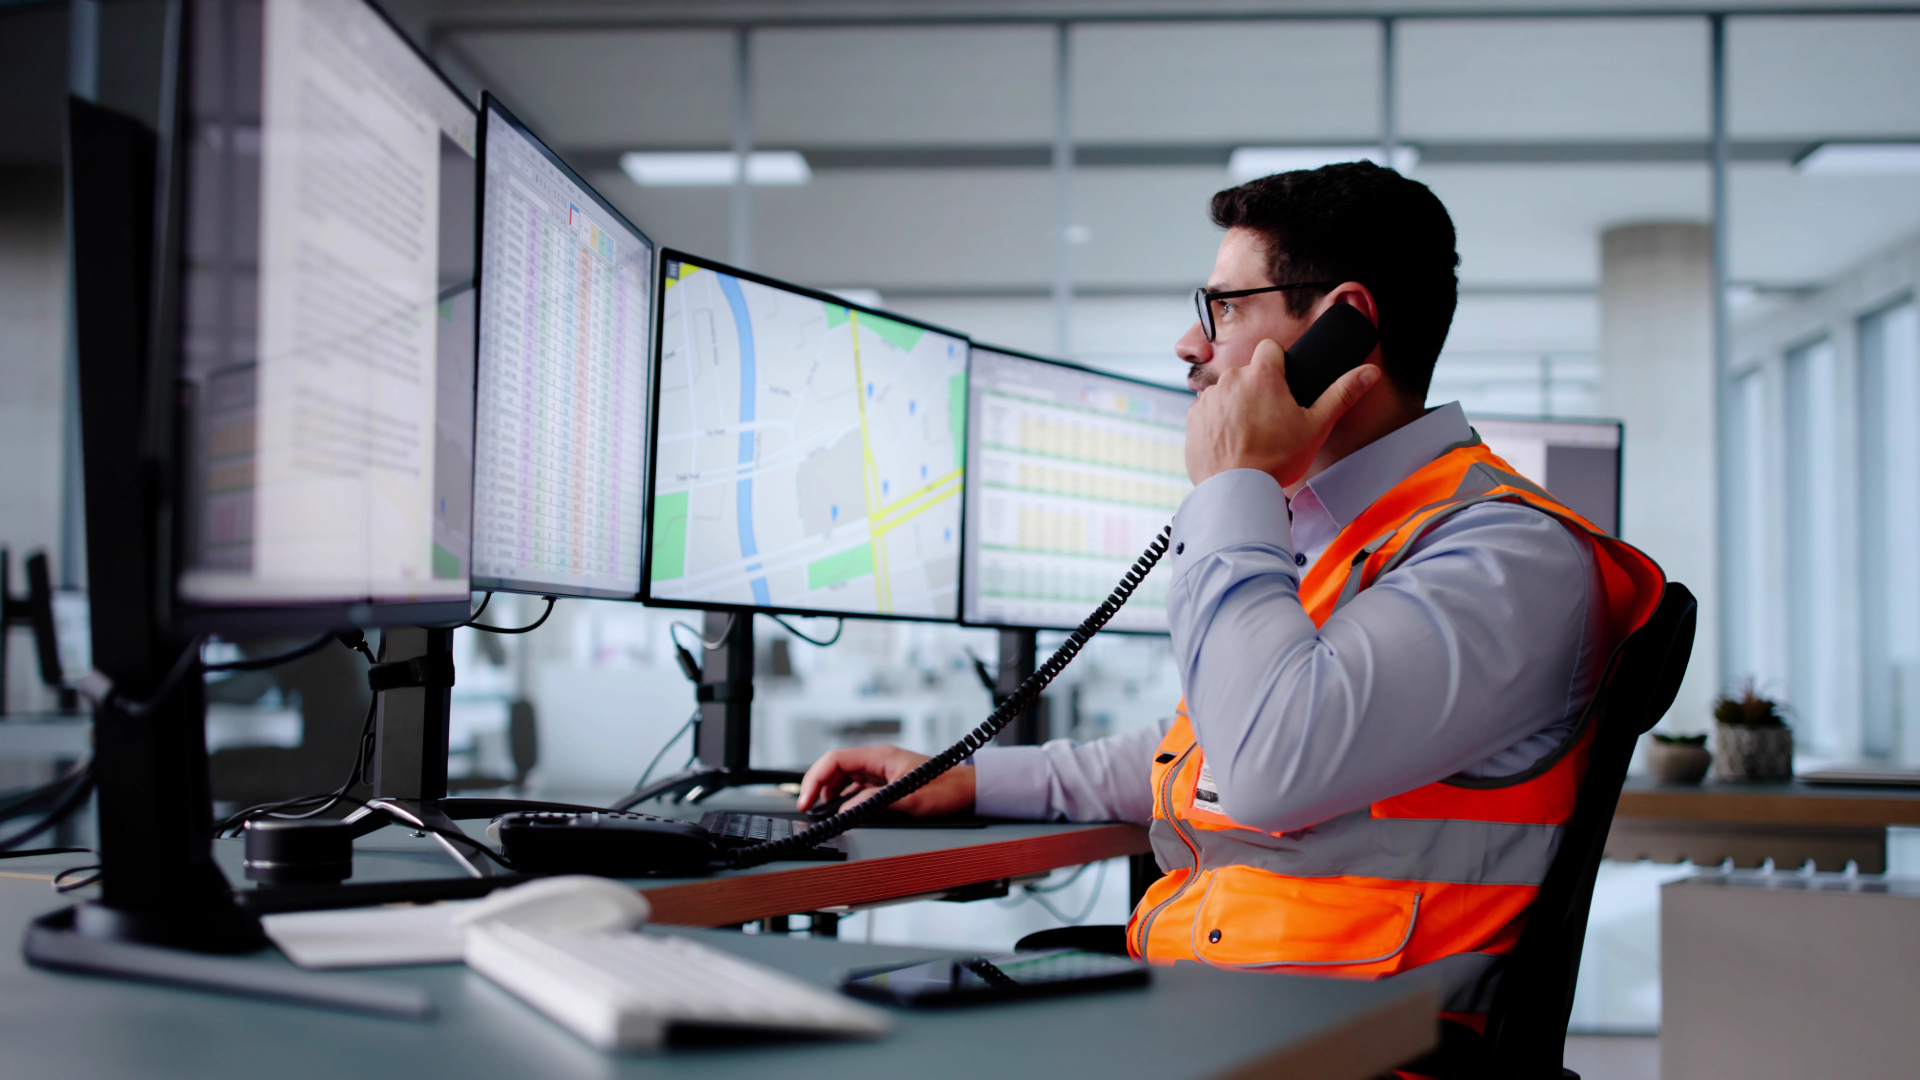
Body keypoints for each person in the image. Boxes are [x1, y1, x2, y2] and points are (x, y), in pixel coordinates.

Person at [798, 162, 1666, 1031]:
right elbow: (1204, 753)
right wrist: (971, 776)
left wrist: (1236, 483)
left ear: (1343, 326)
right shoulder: (1343, 534)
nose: (1190, 343)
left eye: (1226, 307)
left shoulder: (1505, 554)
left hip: (1339, 1052)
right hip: (1233, 1016)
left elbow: (1265, 766)